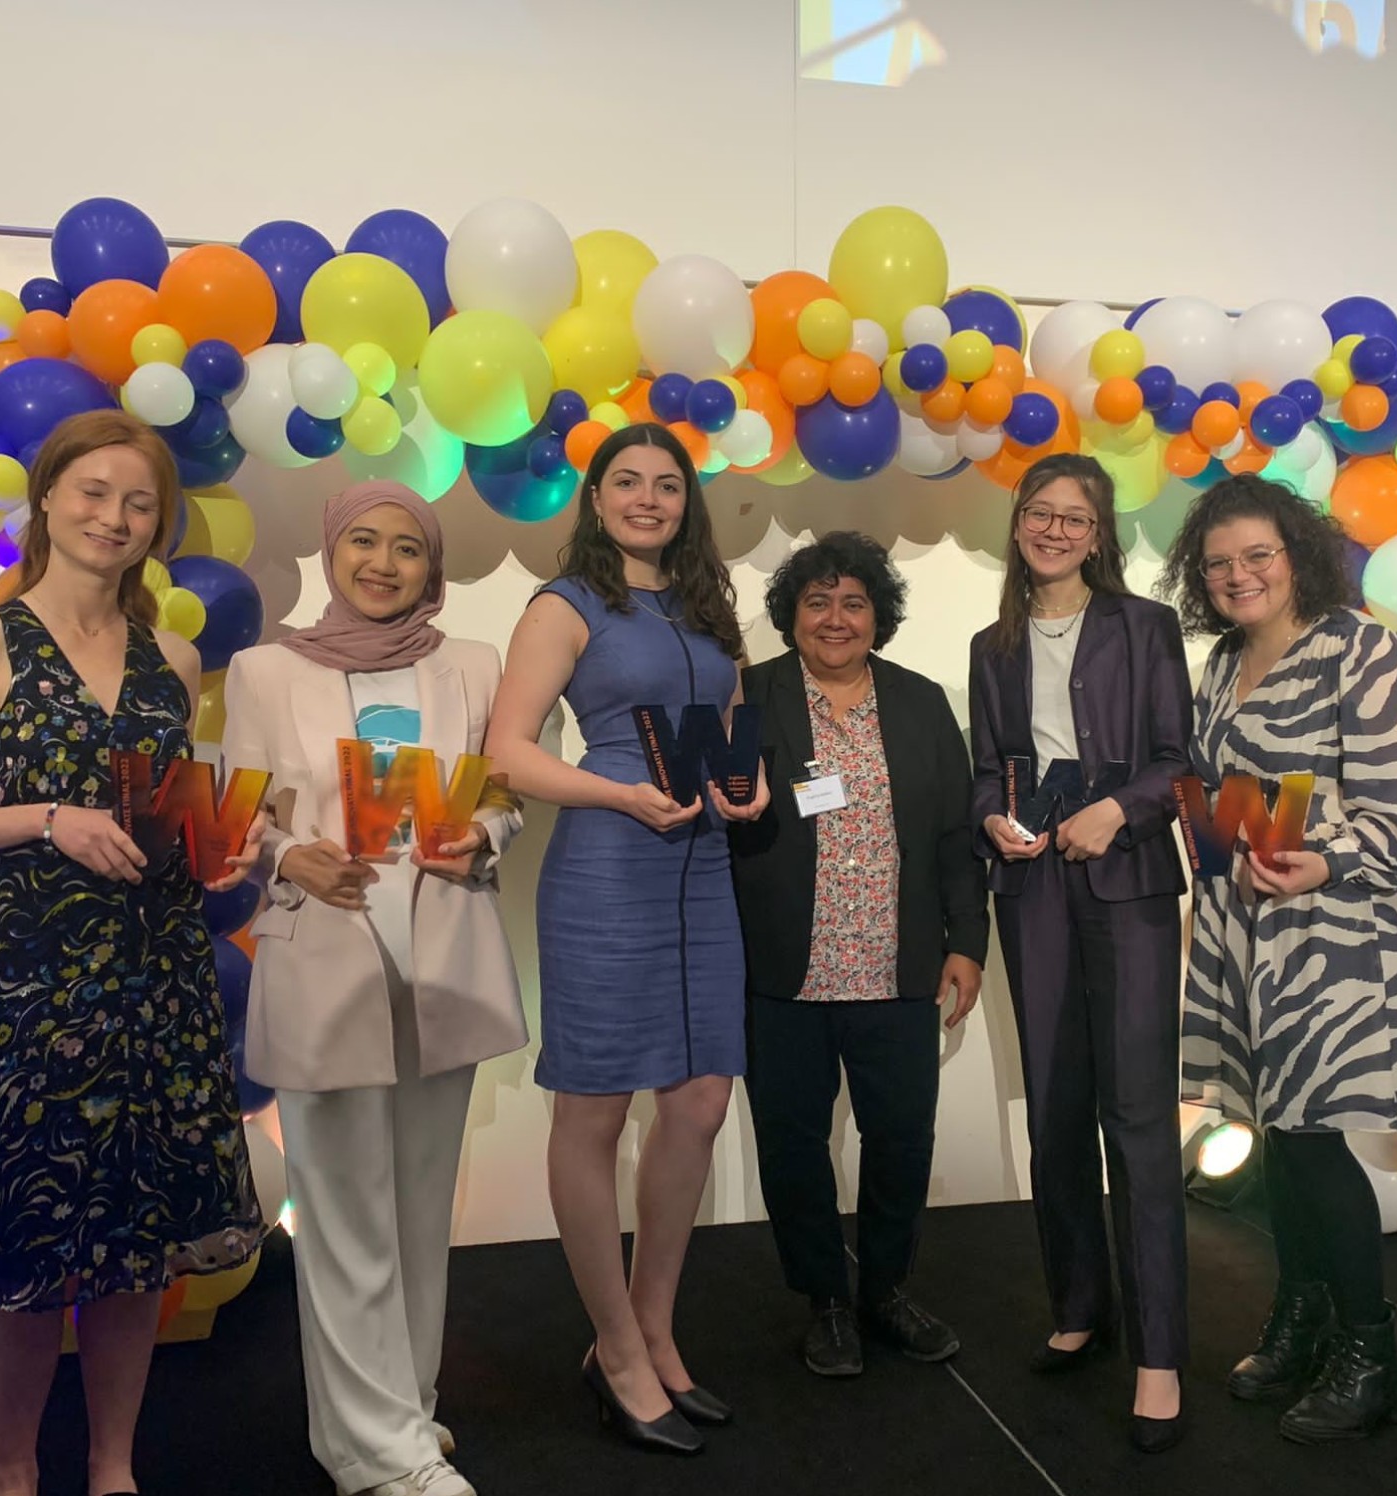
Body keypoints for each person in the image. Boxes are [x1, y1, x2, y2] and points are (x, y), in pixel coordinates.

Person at [0, 410, 264, 1496]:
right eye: (93, 492)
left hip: (158, 976)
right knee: (28, 1250)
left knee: (137, 1247)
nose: (114, 517)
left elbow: (163, 814)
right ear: (47, 498)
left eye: (139, 502)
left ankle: (111, 1466)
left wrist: (219, 848)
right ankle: (12, 1472)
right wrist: (45, 818)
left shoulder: (172, 658)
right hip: (35, 982)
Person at [221, 480, 528, 1496]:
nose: (382, 563)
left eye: (406, 547)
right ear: (332, 550)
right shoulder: (266, 670)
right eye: (363, 541)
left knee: (418, 1209)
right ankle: (370, 1452)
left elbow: (500, 790)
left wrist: (483, 832)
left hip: (441, 959)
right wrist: (289, 855)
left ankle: (402, 1410)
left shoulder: (471, 663)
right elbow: (245, 813)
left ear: (430, 566)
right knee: (346, 1214)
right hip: (326, 957)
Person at [484, 423, 768, 1457]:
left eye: (666, 484)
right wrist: (618, 793)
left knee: (699, 1101)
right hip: (609, 868)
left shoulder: (706, 605)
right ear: (597, 498)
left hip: (702, 871)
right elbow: (507, 752)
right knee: (595, 1108)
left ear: (687, 502)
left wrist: (748, 779)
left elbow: (730, 724)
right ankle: (613, 1347)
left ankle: (654, 1327)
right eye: (627, 482)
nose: (647, 498)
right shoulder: (563, 604)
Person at [1160, 472, 1397, 1445]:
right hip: (1242, 926)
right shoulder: (1220, 661)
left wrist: (1322, 857)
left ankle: (1371, 1353)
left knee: (1315, 1138)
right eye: (1218, 563)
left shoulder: (1357, 648)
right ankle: (1303, 1313)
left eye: (1257, 555)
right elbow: (1218, 788)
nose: (1238, 574)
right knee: (1279, 1137)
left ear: (1296, 556)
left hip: (1330, 931)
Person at [967, 453, 1194, 1452]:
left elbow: (1179, 761)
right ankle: (1078, 1303)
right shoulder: (992, 643)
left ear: (1099, 534)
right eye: (1040, 512)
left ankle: (1159, 1351)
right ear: (1018, 522)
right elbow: (986, 768)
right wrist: (992, 817)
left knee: (1136, 1113)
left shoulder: (1145, 626)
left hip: (1127, 874)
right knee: (1055, 1104)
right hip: (1032, 881)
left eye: (1075, 517)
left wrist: (1118, 808)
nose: (1054, 530)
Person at [729, 531, 989, 1379]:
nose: (835, 619)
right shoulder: (749, 697)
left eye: (853, 603)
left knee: (902, 1140)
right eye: (817, 602)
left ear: (878, 616)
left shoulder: (919, 703)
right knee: (793, 1146)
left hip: (895, 967)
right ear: (791, 615)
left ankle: (884, 1290)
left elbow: (955, 838)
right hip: (782, 972)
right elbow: (721, 824)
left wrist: (967, 942)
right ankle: (826, 1303)